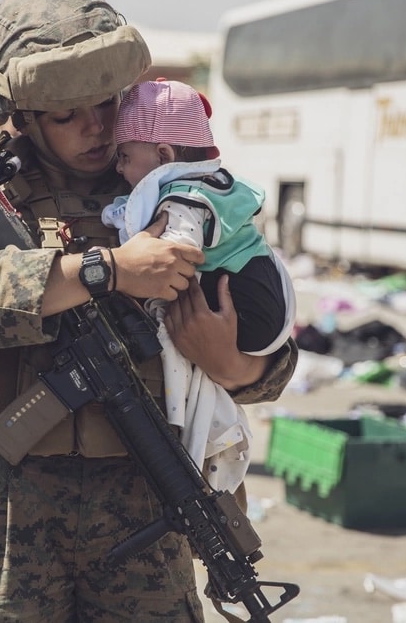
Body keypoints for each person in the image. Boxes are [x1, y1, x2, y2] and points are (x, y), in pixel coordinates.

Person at [0, 0, 298, 621]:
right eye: (67, 115)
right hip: (11, 510)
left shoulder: (177, 194)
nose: (97, 129)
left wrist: (232, 364)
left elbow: (267, 336)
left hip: (147, 495)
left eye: (107, 105)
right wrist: (106, 269)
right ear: (24, 116)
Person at [102, 79, 296, 492]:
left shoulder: (185, 195)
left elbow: (177, 250)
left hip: (247, 312)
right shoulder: (200, 183)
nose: (117, 168)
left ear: (164, 155)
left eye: (123, 156)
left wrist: (126, 267)